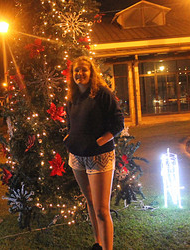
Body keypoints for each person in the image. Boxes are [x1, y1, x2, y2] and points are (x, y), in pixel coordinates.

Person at [64, 56, 124, 250]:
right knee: (90, 203)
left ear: (91, 72)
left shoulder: (103, 94)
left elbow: (118, 123)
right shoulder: (72, 98)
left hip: (99, 158)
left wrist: (99, 141)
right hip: (77, 157)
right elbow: (70, 124)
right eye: (76, 71)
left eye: (84, 70)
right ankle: (97, 244)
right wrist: (69, 138)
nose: (79, 74)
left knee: (101, 210)